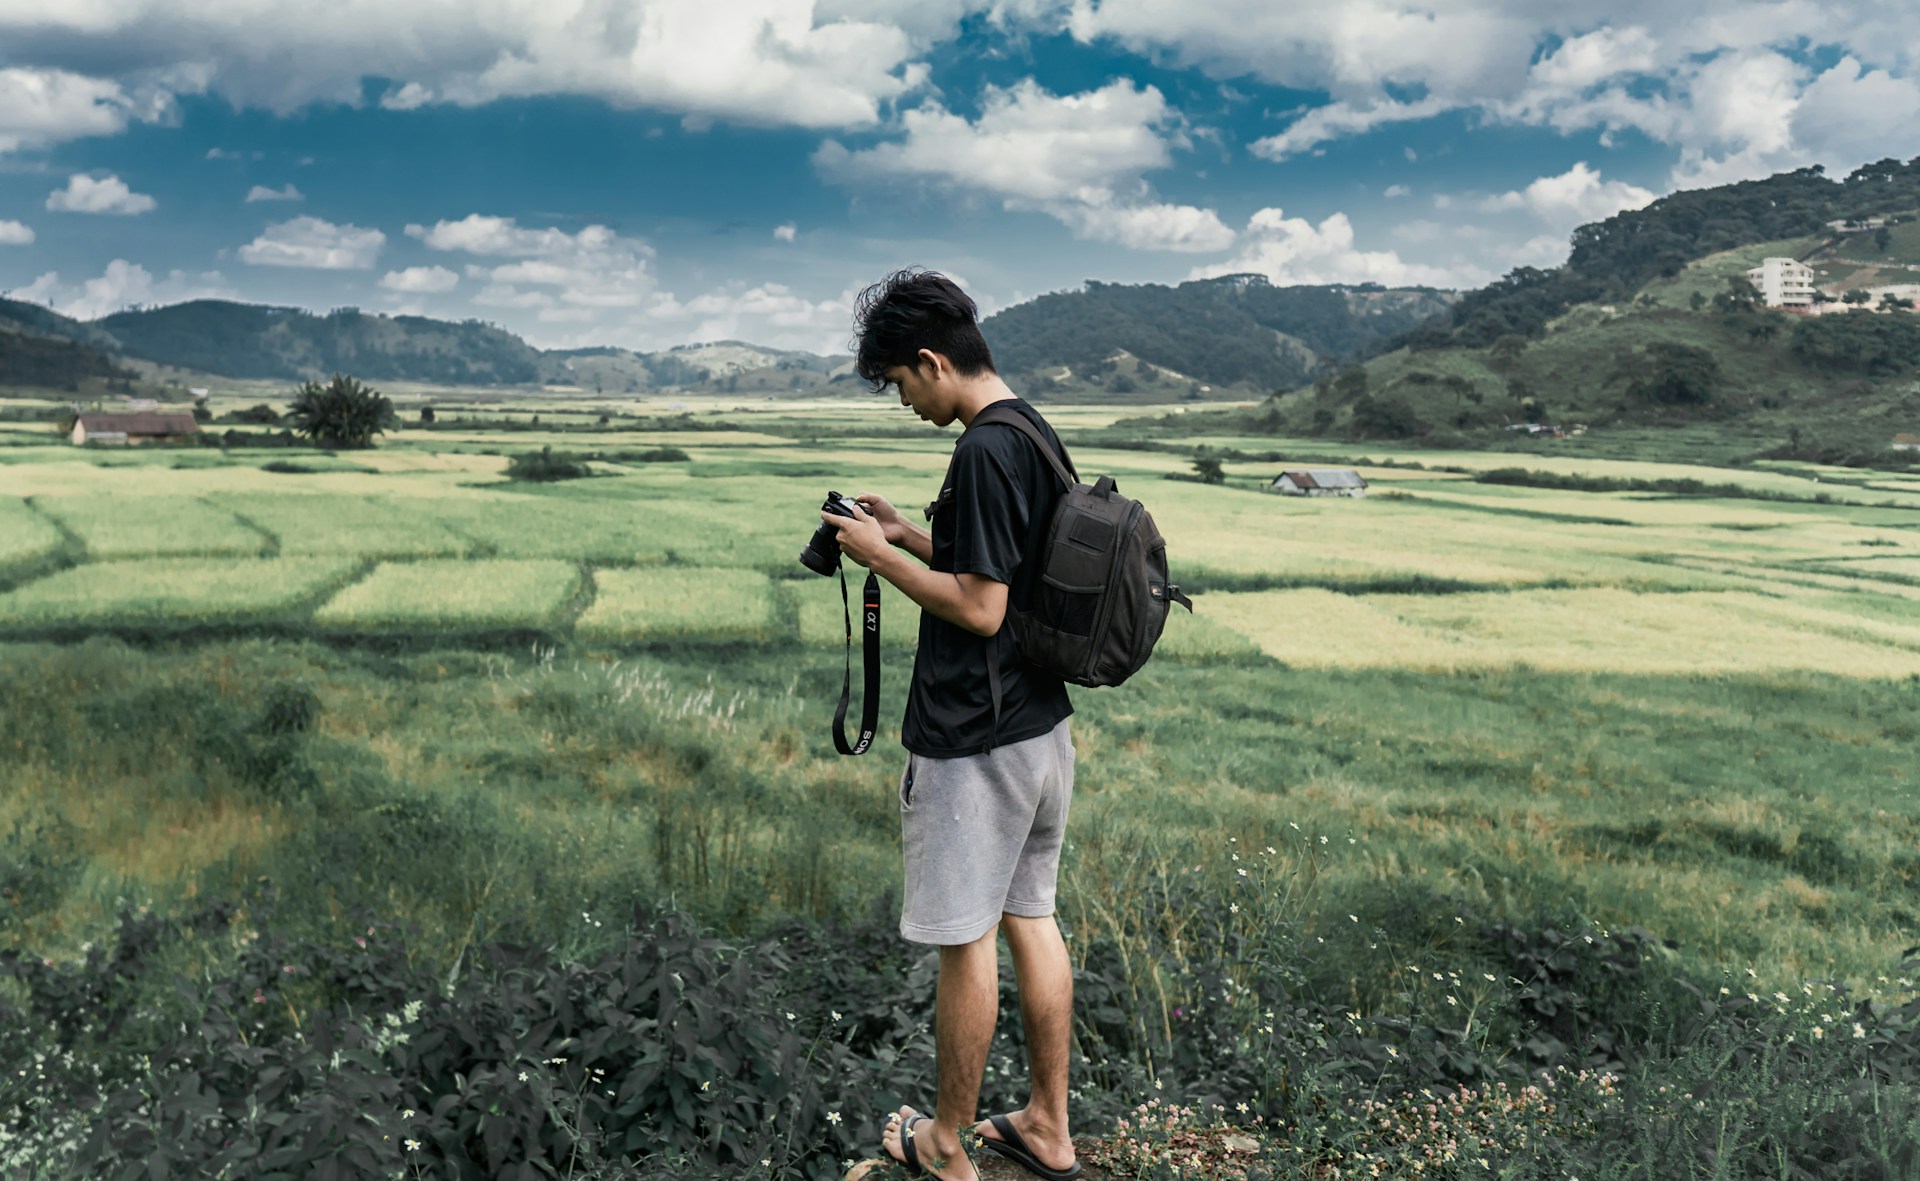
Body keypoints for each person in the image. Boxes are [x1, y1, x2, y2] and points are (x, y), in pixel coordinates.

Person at [824, 269, 1083, 1181]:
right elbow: (1002, 573)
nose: (905, 402)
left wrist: (873, 558)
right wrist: (906, 534)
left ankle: (944, 1143)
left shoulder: (981, 450)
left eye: (900, 383)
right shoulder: (1032, 433)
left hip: (976, 740)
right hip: (1043, 732)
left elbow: (978, 608)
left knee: (965, 940)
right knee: (1032, 920)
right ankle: (1049, 1126)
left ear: (932, 361)